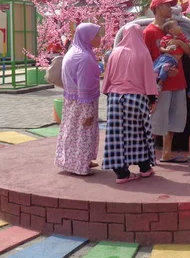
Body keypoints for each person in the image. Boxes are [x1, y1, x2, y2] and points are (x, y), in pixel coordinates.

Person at [102, 24, 158, 184]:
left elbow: (108, 77)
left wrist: (109, 93)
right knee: (139, 134)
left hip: (114, 98)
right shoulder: (142, 52)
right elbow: (148, 77)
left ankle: (121, 172)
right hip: (135, 98)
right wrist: (152, 99)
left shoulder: (115, 52)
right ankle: (145, 167)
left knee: (115, 135)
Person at [143, 0, 188, 164]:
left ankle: (167, 152)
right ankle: (148, 153)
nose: (171, 9)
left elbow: (188, 48)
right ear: (158, 7)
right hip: (160, 84)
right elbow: (145, 60)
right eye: (168, 6)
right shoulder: (149, 32)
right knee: (157, 119)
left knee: (175, 117)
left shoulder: (174, 29)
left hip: (179, 81)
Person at [54, 23, 102, 176]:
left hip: (72, 101)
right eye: (97, 35)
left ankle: (74, 161)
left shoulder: (73, 52)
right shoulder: (85, 58)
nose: (100, 38)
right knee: (83, 133)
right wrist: (88, 112)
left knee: (72, 132)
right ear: (87, 37)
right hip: (83, 103)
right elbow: (85, 86)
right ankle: (81, 165)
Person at [153, 20, 190, 90]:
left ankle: (159, 83)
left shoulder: (182, 37)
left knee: (165, 67)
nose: (180, 27)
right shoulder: (165, 38)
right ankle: (155, 82)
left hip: (173, 61)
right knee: (157, 66)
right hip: (166, 57)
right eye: (177, 25)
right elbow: (161, 48)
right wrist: (166, 50)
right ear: (171, 31)